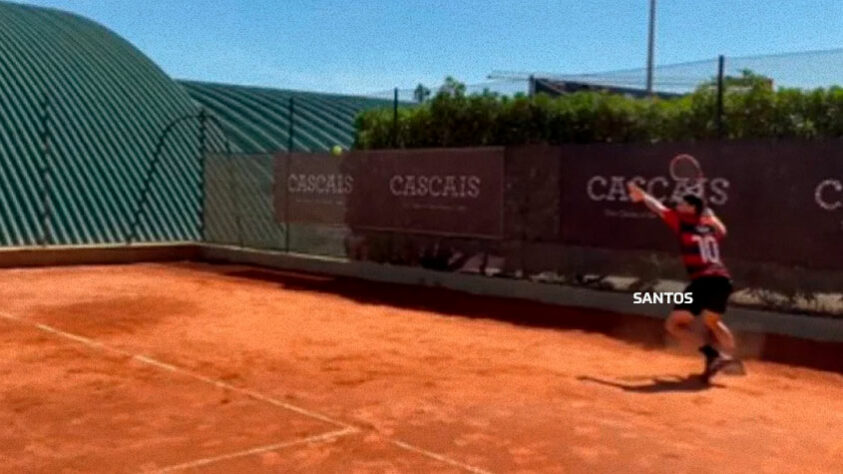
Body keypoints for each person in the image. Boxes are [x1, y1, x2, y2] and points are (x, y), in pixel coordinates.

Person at [627, 182, 742, 382]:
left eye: (682, 204)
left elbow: (659, 208)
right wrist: (713, 217)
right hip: (723, 280)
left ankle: (713, 355)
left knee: (673, 325)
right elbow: (723, 230)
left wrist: (643, 196)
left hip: (703, 281)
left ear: (691, 208)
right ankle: (733, 361)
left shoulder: (683, 222)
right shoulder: (711, 225)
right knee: (712, 321)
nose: (678, 206)